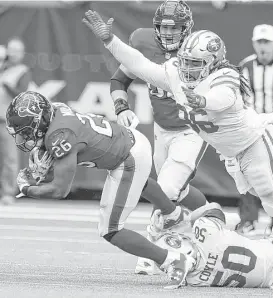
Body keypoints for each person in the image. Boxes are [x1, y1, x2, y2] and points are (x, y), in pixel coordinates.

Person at [82, 11, 273, 230]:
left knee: (267, 193)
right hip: (229, 153)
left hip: (253, 141)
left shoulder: (225, 76)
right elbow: (140, 65)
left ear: (213, 62)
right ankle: (213, 222)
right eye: (185, 61)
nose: (188, 68)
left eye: (195, 63)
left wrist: (203, 100)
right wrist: (110, 41)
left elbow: (225, 98)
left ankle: (158, 242)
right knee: (253, 192)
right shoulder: (176, 72)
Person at [6, 91, 195, 288]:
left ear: (41, 121)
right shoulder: (57, 110)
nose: (23, 138)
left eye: (26, 131)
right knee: (138, 183)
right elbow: (75, 142)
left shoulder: (59, 136)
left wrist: (27, 189)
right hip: (132, 140)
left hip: (128, 157)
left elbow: (60, 190)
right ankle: (173, 214)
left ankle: (172, 260)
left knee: (110, 229)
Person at [110, 0, 208, 275]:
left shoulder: (200, 49)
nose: (168, 34)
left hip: (192, 130)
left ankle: (153, 245)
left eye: (174, 28)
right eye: (163, 28)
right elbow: (119, 80)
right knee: (177, 190)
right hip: (162, 129)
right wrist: (121, 108)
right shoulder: (144, 43)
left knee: (165, 190)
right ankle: (213, 217)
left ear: (187, 28)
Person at [154, 202, 273, 288]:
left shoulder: (194, 280)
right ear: (182, 239)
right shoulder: (205, 231)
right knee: (231, 220)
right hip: (269, 249)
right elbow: (214, 207)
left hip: (270, 280)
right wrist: (183, 221)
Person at [234, 24, 273, 236]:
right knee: (248, 174)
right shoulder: (245, 66)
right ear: (253, 43)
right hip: (254, 128)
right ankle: (248, 220)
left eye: (267, 42)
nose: (263, 47)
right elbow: (239, 101)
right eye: (260, 42)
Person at [0, 37, 31, 205]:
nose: (13, 54)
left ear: (22, 53)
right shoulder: (2, 67)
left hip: (7, 121)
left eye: (17, 51)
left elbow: (21, 95)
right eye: (10, 50)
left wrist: (6, 85)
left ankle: (7, 192)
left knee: (9, 159)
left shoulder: (22, 71)